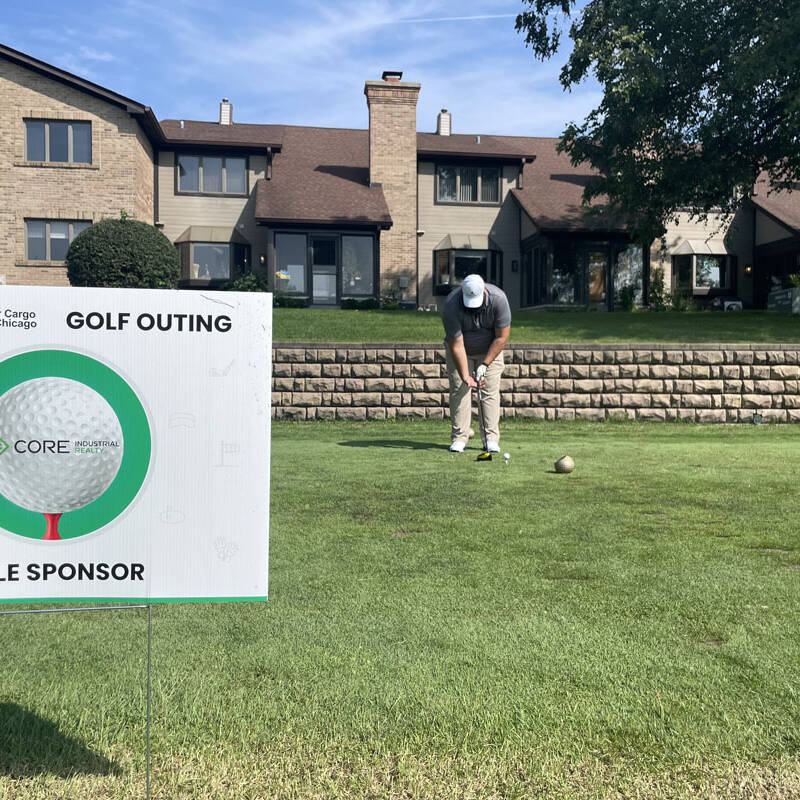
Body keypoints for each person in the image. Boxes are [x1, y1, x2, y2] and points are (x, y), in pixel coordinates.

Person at [441, 274, 511, 453]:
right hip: (461, 351)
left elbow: (502, 337)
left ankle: (491, 439)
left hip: (490, 351)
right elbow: (456, 345)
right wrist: (466, 376)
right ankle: (459, 438)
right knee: (460, 389)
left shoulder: (499, 300)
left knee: (489, 391)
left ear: (484, 291)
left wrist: (485, 364)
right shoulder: (451, 305)